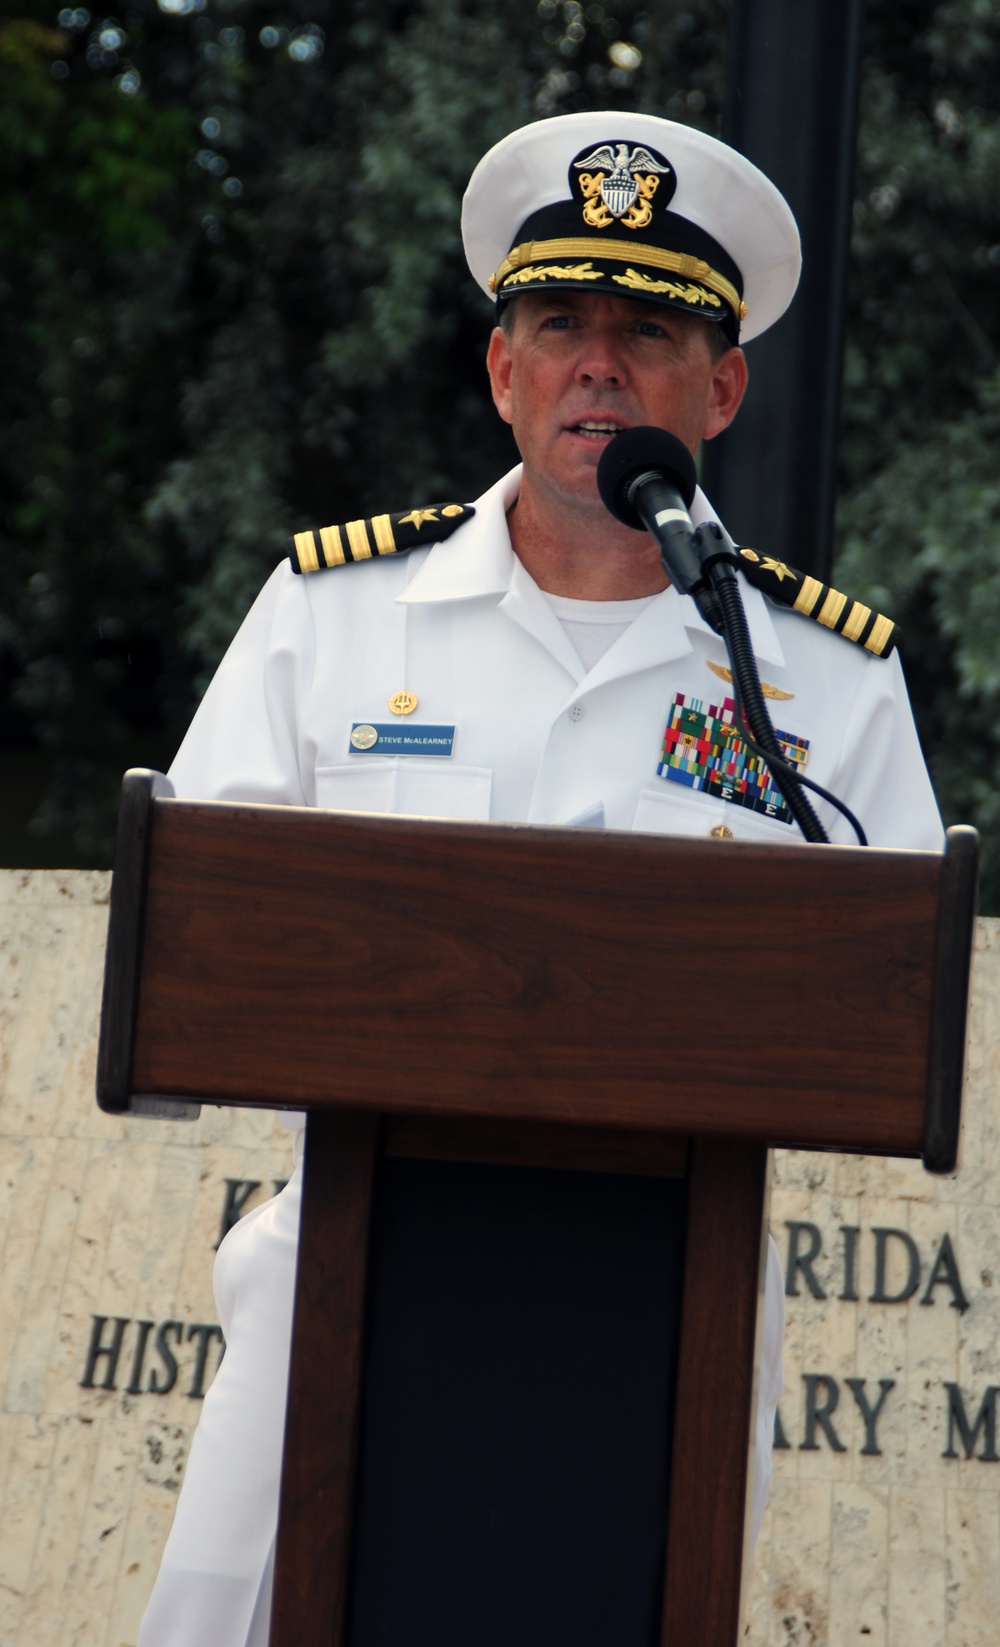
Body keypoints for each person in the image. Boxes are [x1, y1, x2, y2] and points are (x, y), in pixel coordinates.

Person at [136, 111, 943, 1647]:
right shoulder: (336, 614)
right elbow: (197, 933)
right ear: (500, 373)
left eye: (649, 334)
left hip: (668, 1292)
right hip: (347, 1264)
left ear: (724, 387)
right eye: (559, 325)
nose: (599, 366)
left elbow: (893, 1006)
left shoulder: (821, 678)